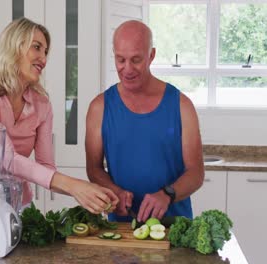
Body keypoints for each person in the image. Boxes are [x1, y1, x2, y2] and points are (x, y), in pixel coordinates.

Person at [0, 18, 118, 215]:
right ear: (14, 47)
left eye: (46, 52)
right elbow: (6, 158)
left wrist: (88, 192)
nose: (44, 58)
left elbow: (46, 167)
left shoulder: (42, 105)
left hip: (18, 203)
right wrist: (75, 186)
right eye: (37, 47)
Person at [85, 20, 204, 223]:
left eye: (136, 60)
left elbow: (196, 172)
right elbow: (93, 169)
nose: (127, 69)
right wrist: (115, 192)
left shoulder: (181, 105)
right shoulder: (100, 107)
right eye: (120, 60)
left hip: (174, 230)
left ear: (151, 55)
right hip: (122, 229)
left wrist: (168, 194)